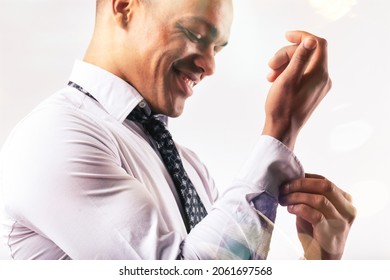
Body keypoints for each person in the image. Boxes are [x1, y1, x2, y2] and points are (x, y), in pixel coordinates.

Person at [0, 0, 355, 260]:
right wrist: (281, 128)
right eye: (194, 34)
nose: (210, 65)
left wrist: (320, 261)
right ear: (124, 6)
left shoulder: (191, 168)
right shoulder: (53, 137)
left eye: (217, 48)